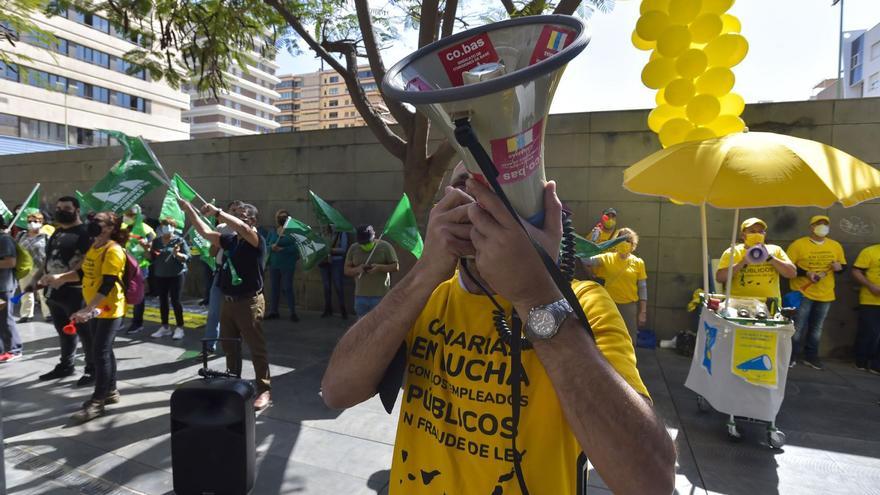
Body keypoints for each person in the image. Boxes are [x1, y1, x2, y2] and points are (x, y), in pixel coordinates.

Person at [321, 165, 675, 494]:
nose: (479, 207)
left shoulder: (585, 306)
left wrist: (536, 297)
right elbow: (337, 391)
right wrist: (424, 272)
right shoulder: (427, 296)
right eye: (465, 187)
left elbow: (650, 481)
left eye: (498, 190)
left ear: (544, 211)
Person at [179, 199, 272, 411]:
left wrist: (218, 212)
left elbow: (243, 228)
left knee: (256, 348)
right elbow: (205, 232)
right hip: (228, 301)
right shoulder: (232, 240)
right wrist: (190, 210)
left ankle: (264, 389)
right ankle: (233, 383)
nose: (237, 219)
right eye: (236, 215)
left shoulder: (256, 240)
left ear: (253, 221)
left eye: (242, 216)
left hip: (249, 302)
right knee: (230, 345)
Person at [44, 211, 128, 422]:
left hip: (108, 308)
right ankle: (111, 391)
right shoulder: (95, 246)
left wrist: (87, 309)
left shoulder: (113, 250)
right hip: (95, 306)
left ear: (110, 228)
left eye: (97, 221)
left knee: (99, 352)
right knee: (104, 350)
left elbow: (108, 285)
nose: (92, 224)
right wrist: (60, 277)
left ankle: (97, 402)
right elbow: (83, 274)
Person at [31, 196, 94, 382]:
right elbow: (48, 259)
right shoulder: (57, 232)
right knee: (64, 332)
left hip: (76, 292)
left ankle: (92, 369)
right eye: (58, 208)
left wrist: (62, 278)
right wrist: (35, 280)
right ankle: (66, 365)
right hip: (54, 292)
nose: (61, 211)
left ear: (77, 210)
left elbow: (87, 264)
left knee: (86, 334)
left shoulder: (84, 234)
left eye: (66, 208)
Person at [786, 215, 846, 370]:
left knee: (816, 328)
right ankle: (790, 356)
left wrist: (839, 268)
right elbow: (788, 268)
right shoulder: (798, 245)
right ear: (811, 227)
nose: (822, 226)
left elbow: (842, 267)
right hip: (803, 292)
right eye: (819, 223)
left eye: (825, 224)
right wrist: (807, 273)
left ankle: (811, 357)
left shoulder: (835, 246)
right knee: (797, 326)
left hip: (826, 294)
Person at [584, 227, 648, 340]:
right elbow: (586, 260)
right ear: (615, 241)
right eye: (621, 239)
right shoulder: (607, 257)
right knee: (608, 336)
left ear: (633, 244)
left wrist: (643, 312)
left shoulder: (638, 263)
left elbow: (642, 288)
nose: (624, 242)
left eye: (627, 240)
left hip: (628, 307)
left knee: (629, 338)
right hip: (609, 305)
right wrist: (592, 241)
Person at [200, 200, 244, 359]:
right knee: (214, 311)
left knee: (237, 312)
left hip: (237, 276)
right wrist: (220, 243)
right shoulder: (220, 228)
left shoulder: (244, 229)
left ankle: (235, 345)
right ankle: (209, 346)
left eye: (238, 211)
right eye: (233, 210)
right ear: (227, 211)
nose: (235, 213)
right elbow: (212, 253)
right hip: (220, 273)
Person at [716, 217, 797, 301]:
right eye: (752, 232)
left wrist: (771, 258)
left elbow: (792, 274)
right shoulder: (733, 252)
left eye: (760, 232)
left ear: (764, 234)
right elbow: (720, 278)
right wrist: (742, 263)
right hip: (740, 303)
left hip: (769, 303)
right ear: (743, 235)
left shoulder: (775, 250)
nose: (757, 235)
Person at [148, 218, 190, 340]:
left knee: (176, 301)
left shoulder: (179, 241)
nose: (166, 228)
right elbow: (151, 257)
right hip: (160, 275)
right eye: (164, 225)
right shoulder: (156, 242)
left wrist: (177, 254)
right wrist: (146, 249)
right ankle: (165, 327)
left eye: (170, 225)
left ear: (174, 227)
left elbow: (187, 257)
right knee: (163, 301)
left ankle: (180, 327)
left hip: (176, 275)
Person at [344, 225, 399, 318]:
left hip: (381, 296)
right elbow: (346, 270)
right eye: (362, 243)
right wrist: (357, 269)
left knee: (381, 323)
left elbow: (395, 267)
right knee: (362, 323)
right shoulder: (353, 248)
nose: (365, 245)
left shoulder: (385, 247)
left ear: (374, 237)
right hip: (360, 296)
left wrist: (379, 267)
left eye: (368, 242)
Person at [123, 205, 156, 335]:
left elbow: (149, 252)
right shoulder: (122, 227)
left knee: (138, 296)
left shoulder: (147, 230)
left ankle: (137, 323)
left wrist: (146, 247)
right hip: (123, 265)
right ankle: (119, 319)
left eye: (130, 214)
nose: (126, 216)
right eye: (126, 214)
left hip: (140, 267)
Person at [265, 209, 300, 322]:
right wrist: (271, 247)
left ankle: (293, 312)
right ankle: (273, 311)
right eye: (280, 217)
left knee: (287, 287)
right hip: (274, 264)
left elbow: (297, 248)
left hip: (288, 264)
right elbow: (266, 245)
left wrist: (283, 249)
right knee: (274, 288)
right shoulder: (273, 231)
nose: (282, 219)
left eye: (285, 217)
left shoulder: (292, 233)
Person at [16, 212, 51, 323]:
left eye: (35, 221)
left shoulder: (46, 236)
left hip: (40, 268)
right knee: (25, 291)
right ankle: (26, 315)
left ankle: (48, 314)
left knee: (42, 292)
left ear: (41, 222)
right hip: (25, 268)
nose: (32, 223)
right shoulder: (21, 235)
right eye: (30, 221)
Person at [852, 243, 880, 374]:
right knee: (868, 332)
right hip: (870, 300)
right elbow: (856, 271)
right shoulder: (870, 251)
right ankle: (860, 361)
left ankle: (876, 365)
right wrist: (870, 286)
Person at [0, 219, 23, 363]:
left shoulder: (4, 239)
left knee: (5, 319)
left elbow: (10, 262)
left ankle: (14, 349)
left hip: (3, 287)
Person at [320, 224, 349, 319]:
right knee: (326, 287)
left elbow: (343, 249)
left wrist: (330, 250)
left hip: (336, 261)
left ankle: (343, 310)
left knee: (338, 286)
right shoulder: (323, 232)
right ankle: (328, 309)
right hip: (324, 261)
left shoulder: (341, 233)